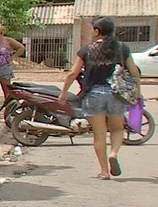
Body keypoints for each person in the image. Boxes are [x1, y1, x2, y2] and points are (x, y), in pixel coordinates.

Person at [60, 17, 142, 180]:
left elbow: (73, 73)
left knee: (99, 134)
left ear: (97, 31)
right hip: (116, 94)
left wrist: (63, 92)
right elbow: (134, 72)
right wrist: (137, 92)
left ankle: (104, 171)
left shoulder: (86, 50)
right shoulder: (122, 49)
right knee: (117, 129)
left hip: (93, 94)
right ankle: (113, 153)